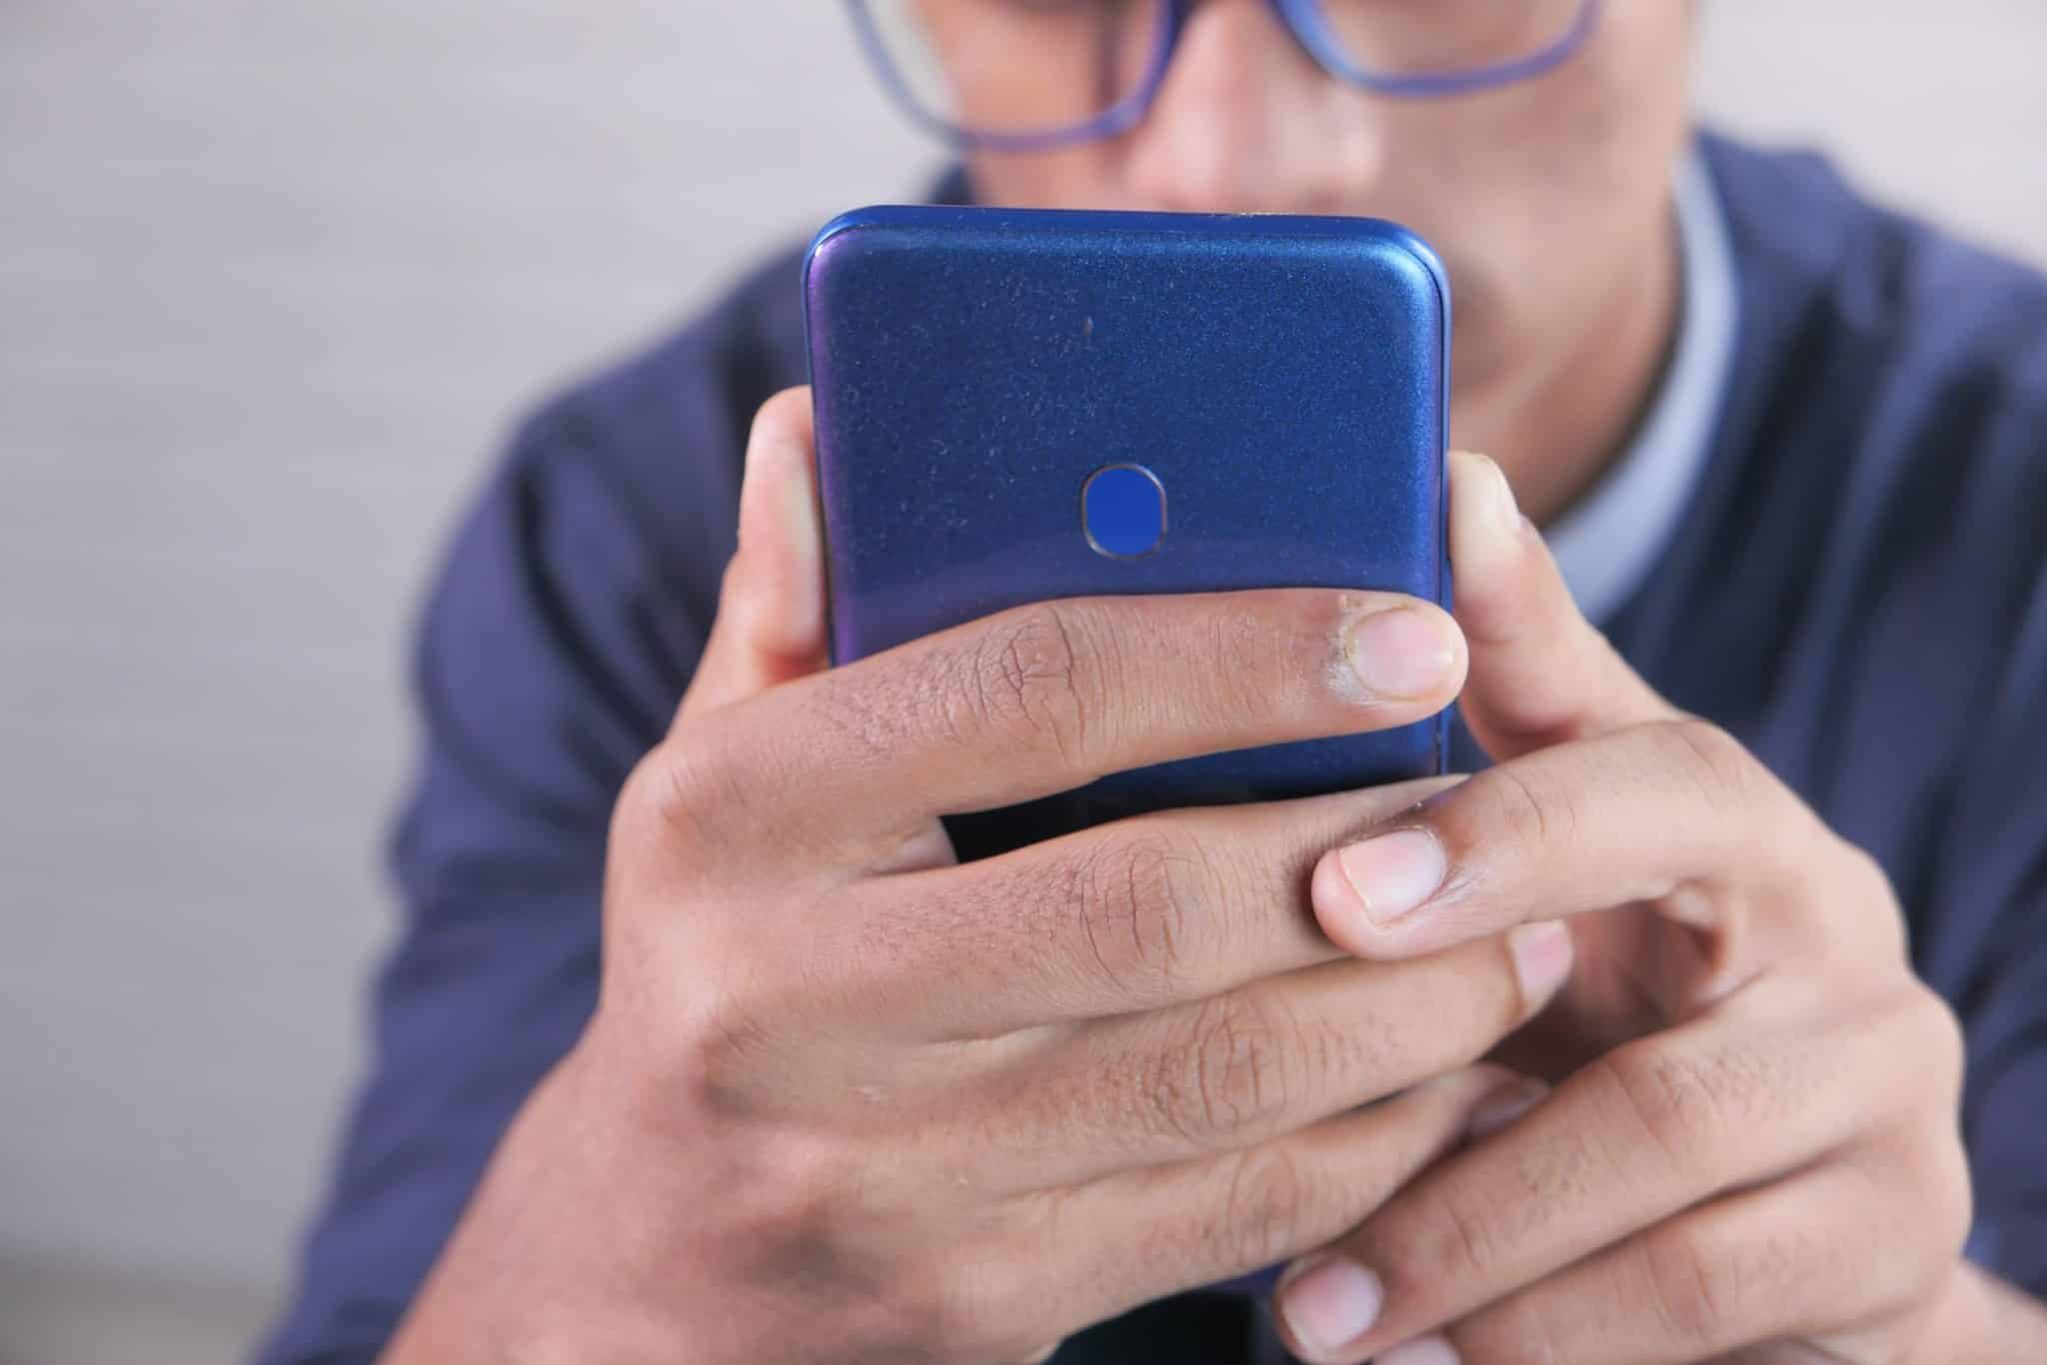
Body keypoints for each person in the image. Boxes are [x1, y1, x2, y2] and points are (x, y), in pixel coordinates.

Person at [257, 3, 2047, 1362]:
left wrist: (1921, 1329)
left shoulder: (2014, 509)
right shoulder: (642, 531)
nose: (1235, 157)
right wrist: (621, 1271)